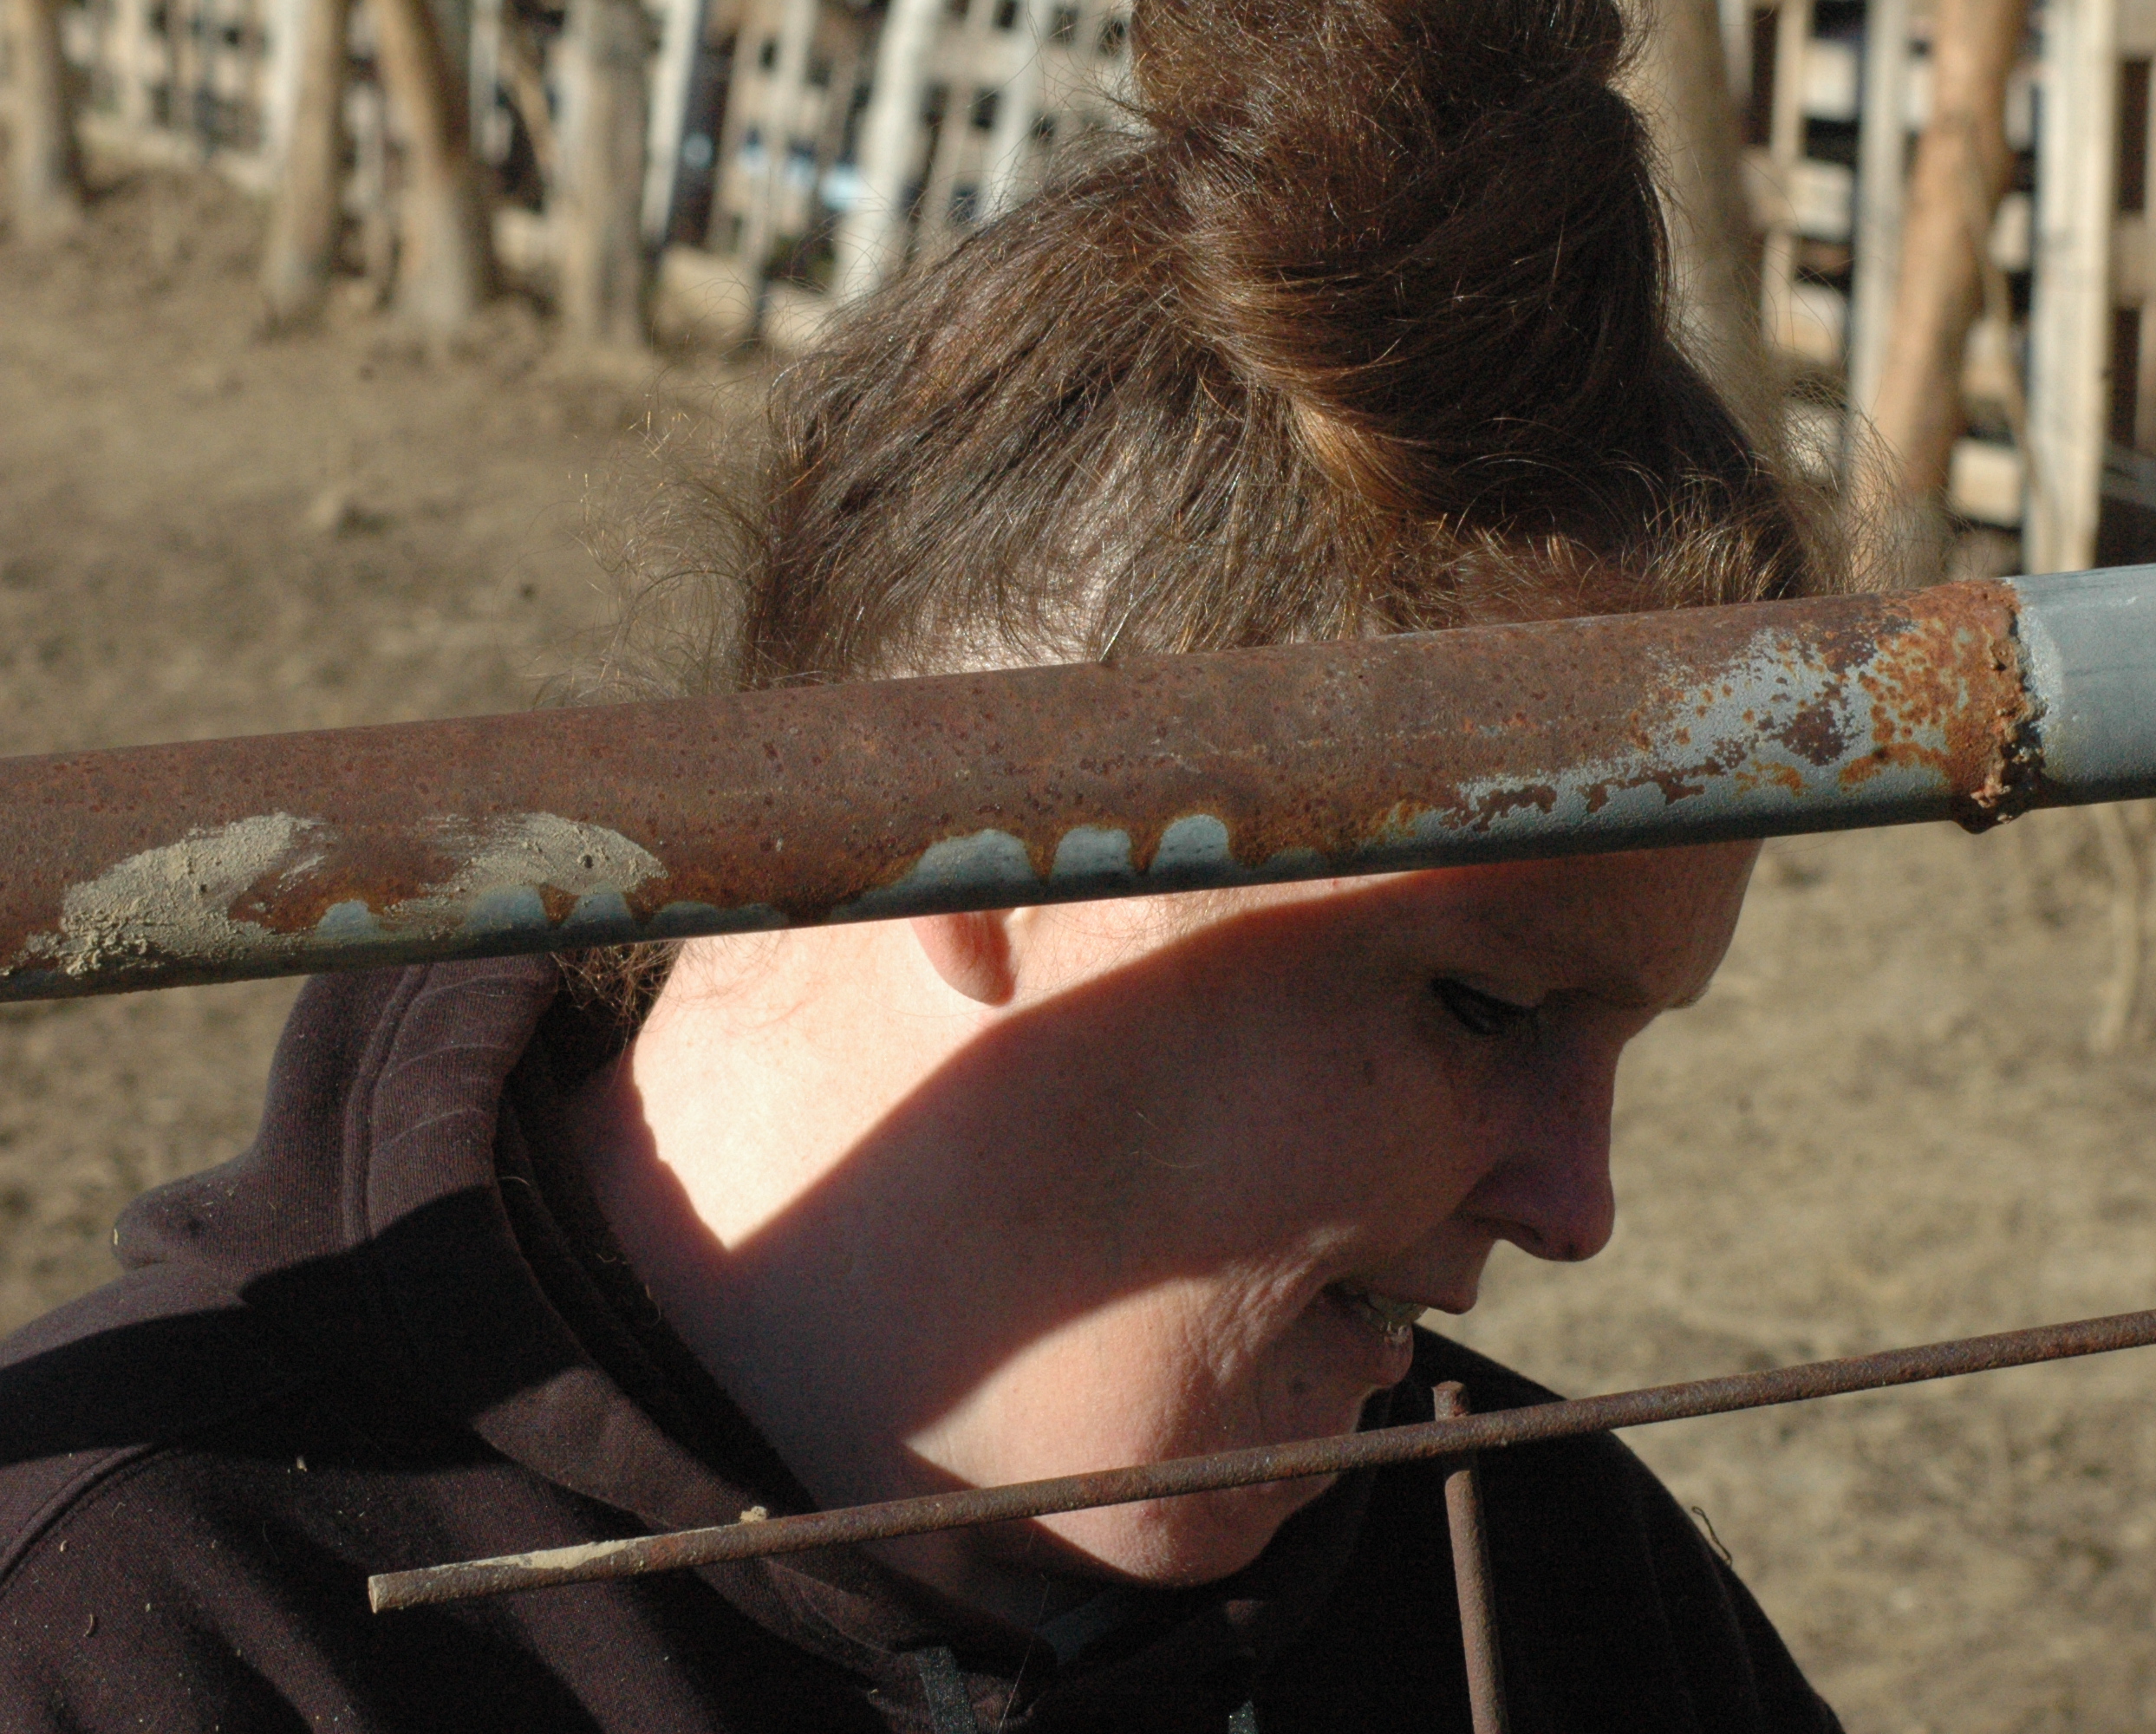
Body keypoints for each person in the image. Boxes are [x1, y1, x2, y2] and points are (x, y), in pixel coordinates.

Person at [0, 1, 1847, 1728]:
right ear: (968, 853)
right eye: (1484, 1003)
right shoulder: (159, 1628)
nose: (1577, 1204)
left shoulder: (1533, 1578)